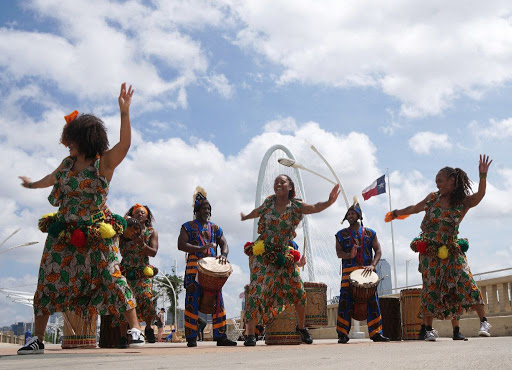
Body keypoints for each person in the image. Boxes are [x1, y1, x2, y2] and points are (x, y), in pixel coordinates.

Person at [17, 83, 145, 355]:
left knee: (112, 276)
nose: (66, 143)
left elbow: (125, 144)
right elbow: (50, 180)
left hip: (97, 231)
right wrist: (30, 185)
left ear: (84, 139)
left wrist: (124, 111)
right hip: (63, 232)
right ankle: (37, 339)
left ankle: (135, 329)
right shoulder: (66, 164)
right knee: (48, 280)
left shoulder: (104, 163)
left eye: (71, 139)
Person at [389, 155, 493, 341]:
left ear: (452, 181)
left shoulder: (462, 202)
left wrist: (482, 176)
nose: (437, 185)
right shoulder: (432, 198)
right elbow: (415, 208)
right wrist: (397, 213)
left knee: (465, 279)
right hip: (430, 251)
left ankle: (484, 321)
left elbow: (479, 196)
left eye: (441, 181)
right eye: (436, 181)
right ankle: (428, 329)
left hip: (451, 249)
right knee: (431, 287)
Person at [241, 175, 339, 346]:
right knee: (256, 291)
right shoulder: (269, 202)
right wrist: (246, 217)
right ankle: (250, 334)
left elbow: (315, 207)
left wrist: (329, 202)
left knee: (299, 291)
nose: (278, 184)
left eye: (282, 182)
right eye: (276, 182)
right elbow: (258, 211)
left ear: (290, 187)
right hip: (263, 254)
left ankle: (301, 328)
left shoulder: (296, 206)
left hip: (283, 254)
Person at [177, 187, 237, 347]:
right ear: (196, 211)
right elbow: (181, 244)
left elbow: (224, 243)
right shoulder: (187, 226)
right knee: (192, 301)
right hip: (193, 270)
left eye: (208, 208)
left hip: (212, 271)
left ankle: (220, 336)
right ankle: (191, 337)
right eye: (203, 208)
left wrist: (223, 255)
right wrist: (199, 249)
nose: (207, 211)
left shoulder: (215, 228)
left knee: (218, 302)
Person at [335, 198, 390, 343]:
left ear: (359, 215)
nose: (350, 216)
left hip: (367, 274)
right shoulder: (340, 234)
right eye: (348, 214)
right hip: (348, 274)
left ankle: (376, 333)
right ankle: (342, 333)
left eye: (353, 213)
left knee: (373, 302)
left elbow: (378, 251)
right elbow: (338, 252)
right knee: (344, 303)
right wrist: (349, 255)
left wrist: (373, 265)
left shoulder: (370, 233)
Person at [118, 204, 159, 344]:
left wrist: (141, 244)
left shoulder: (151, 232)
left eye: (142, 213)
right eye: (136, 213)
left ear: (147, 216)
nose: (140, 214)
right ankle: (123, 337)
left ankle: (148, 328)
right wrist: (126, 222)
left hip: (142, 270)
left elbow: (153, 252)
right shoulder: (123, 231)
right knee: (124, 301)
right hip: (126, 270)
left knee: (146, 298)